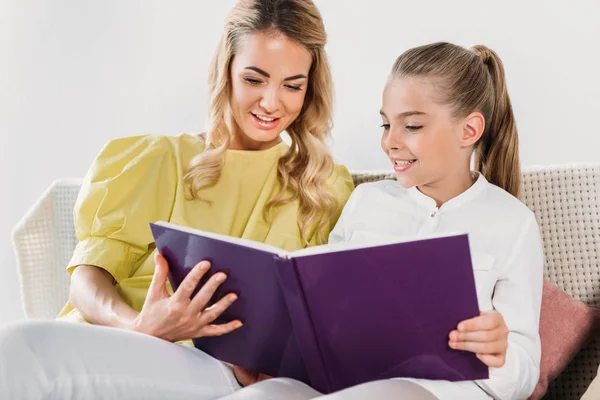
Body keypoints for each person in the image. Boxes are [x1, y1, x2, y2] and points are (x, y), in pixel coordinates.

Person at [0, 1, 353, 399]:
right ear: (227, 70)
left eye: (292, 85)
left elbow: (325, 318)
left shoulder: (322, 188)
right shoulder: (158, 159)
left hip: (215, 369)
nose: (272, 103)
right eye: (254, 79)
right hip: (114, 340)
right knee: (13, 350)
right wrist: (139, 325)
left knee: (15, 353)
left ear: (311, 88)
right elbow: (86, 279)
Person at [221, 42, 544, 400]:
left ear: (469, 131)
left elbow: (525, 374)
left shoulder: (513, 224)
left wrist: (495, 355)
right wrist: (274, 354)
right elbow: (322, 318)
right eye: (386, 124)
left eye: (412, 126)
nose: (389, 141)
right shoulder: (366, 202)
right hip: (343, 382)